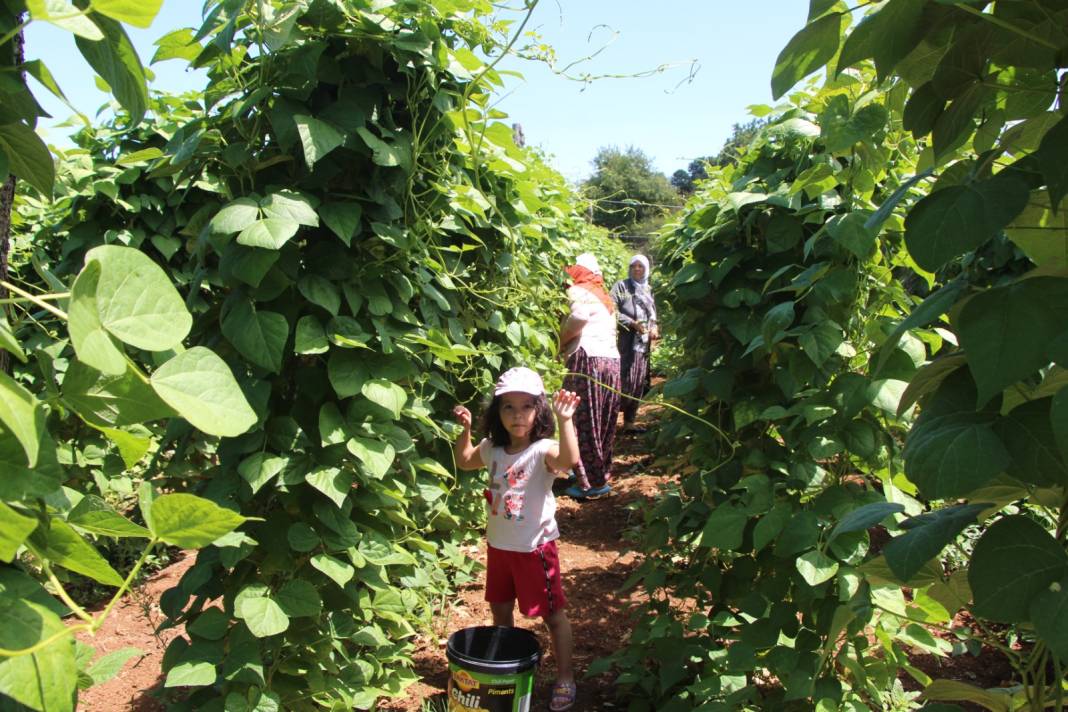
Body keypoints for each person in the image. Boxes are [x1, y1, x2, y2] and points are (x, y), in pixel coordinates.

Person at [452, 367, 582, 712]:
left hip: (533, 550)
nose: (517, 415)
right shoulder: (492, 448)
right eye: (508, 407)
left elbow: (569, 460)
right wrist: (464, 431)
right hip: (499, 549)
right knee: (500, 610)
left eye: (526, 406)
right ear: (496, 412)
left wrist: (565, 420)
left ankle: (565, 676)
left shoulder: (542, 450)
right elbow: (464, 461)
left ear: (539, 410)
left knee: (553, 615)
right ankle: (507, 671)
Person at [558, 252, 621, 499]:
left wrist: (560, 341)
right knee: (603, 419)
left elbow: (579, 317)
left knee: (583, 419)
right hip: (612, 361)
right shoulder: (605, 299)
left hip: (587, 359)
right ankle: (597, 473)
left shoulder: (578, 291)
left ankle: (590, 484)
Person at [611, 254, 659, 432]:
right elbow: (612, 310)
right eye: (634, 266)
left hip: (643, 346)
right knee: (623, 382)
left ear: (646, 269)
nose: (637, 269)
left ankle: (630, 422)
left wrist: (653, 328)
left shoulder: (648, 289)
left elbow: (652, 314)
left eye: (641, 266)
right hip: (626, 344)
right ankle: (610, 420)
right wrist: (631, 323)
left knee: (639, 383)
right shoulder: (622, 287)